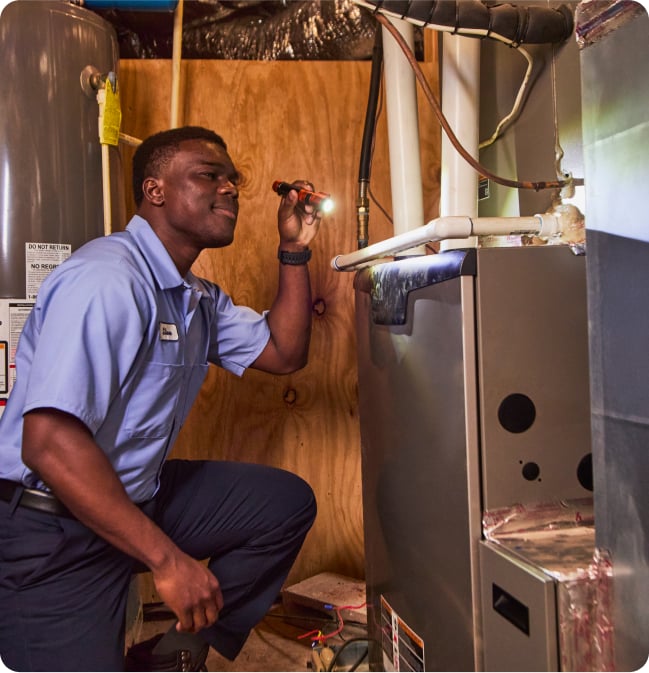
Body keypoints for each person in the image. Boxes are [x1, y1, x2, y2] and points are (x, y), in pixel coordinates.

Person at [0, 125, 321, 672]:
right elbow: (48, 444)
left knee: (284, 505)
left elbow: (284, 352)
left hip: (134, 500)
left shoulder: (194, 297)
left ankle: (175, 652)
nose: (230, 189)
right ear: (155, 191)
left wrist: (293, 250)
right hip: (52, 527)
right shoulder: (107, 280)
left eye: (233, 179)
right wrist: (169, 560)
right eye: (208, 176)